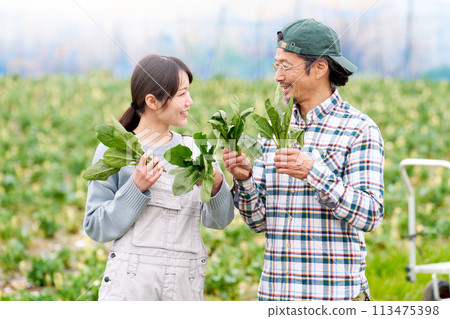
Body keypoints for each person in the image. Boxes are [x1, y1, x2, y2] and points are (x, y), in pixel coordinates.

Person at [223, 19, 384, 301]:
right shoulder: (273, 130)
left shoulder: (359, 129)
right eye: (277, 65)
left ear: (320, 67)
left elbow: (370, 215)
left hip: (334, 296)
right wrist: (244, 179)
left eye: (286, 66)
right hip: (277, 296)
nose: (278, 76)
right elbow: (259, 222)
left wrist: (313, 172)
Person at [84, 54, 234, 301]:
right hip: (130, 291)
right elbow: (95, 228)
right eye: (182, 94)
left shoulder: (197, 151)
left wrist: (217, 185)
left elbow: (219, 222)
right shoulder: (117, 151)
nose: (190, 101)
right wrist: (135, 188)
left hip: (183, 289)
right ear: (152, 101)